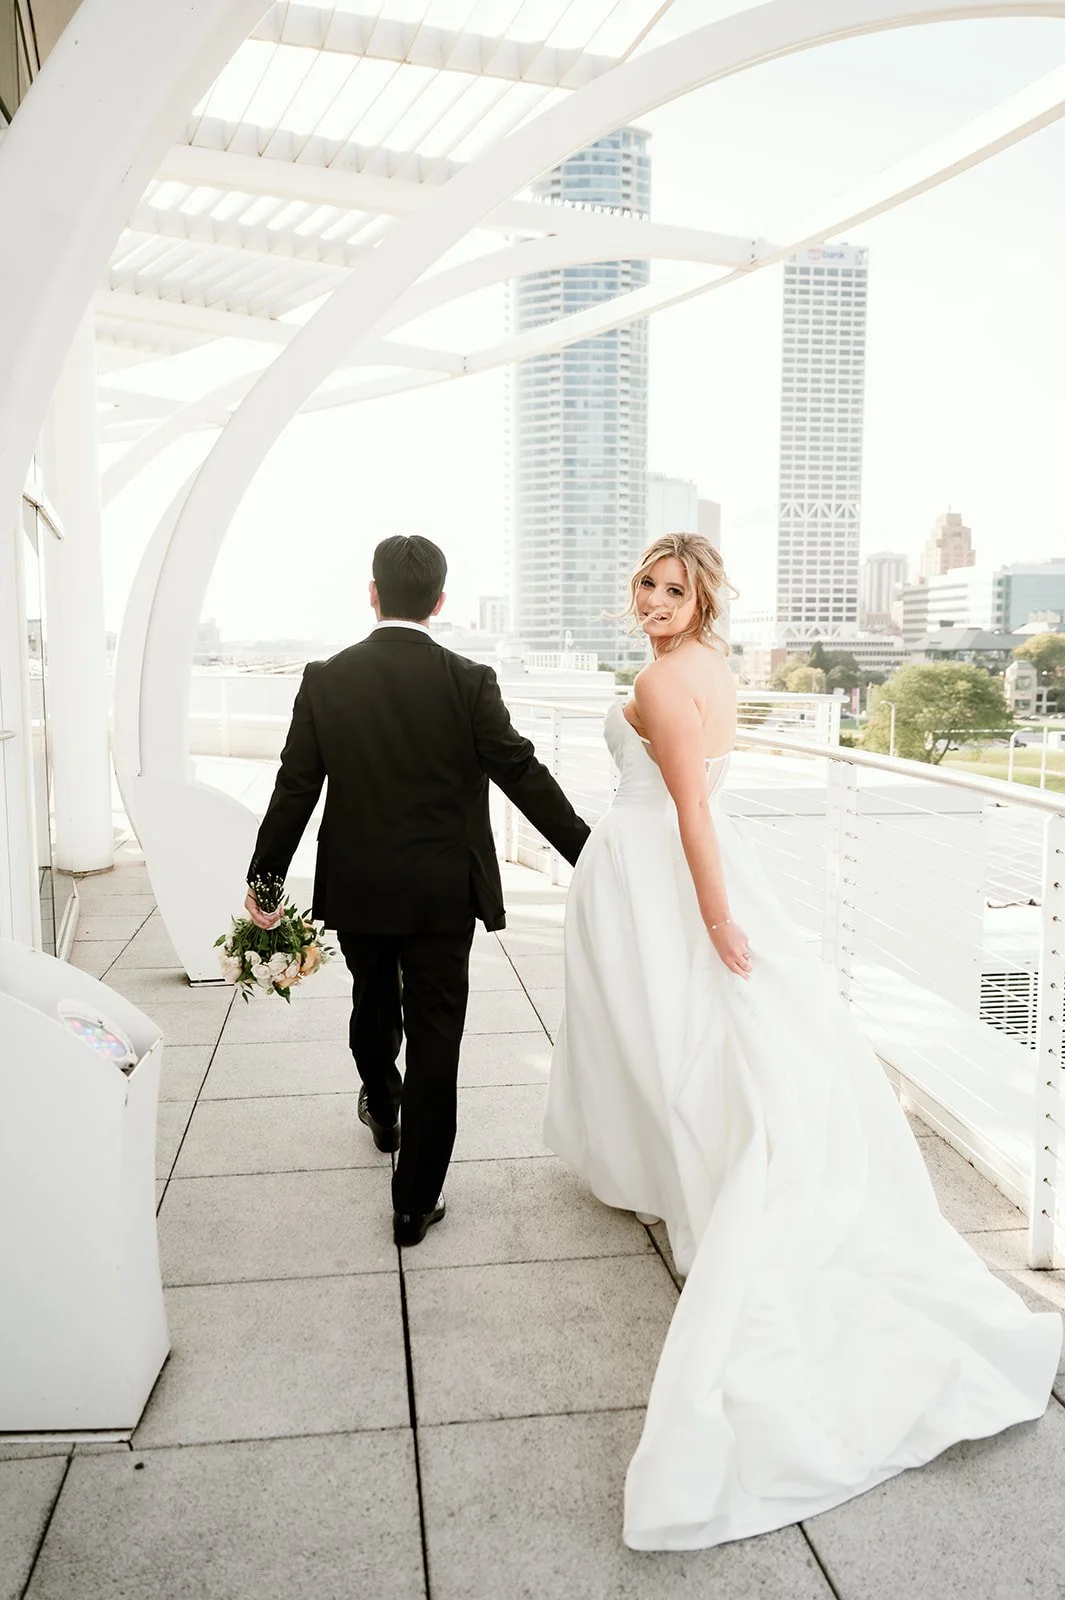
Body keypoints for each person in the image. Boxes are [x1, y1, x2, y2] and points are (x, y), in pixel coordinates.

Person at [544, 532, 1061, 1551]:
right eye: (646, 583)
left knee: (683, 1043)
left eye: (672, 587)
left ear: (702, 599)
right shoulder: (710, 667)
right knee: (691, 1043)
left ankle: (713, 1189)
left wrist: (717, 918)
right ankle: (688, 1174)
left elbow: (689, 807)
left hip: (667, 876)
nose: (652, 599)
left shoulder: (659, 682)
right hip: (680, 862)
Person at [246, 534, 589, 1246]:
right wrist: (588, 852)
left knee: (371, 1000)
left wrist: (265, 883)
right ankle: (413, 1203)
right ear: (438, 603)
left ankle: (382, 1099)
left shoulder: (326, 677)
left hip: (361, 883)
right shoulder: (469, 680)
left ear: (372, 594)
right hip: (440, 891)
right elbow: (520, 772)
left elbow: (295, 787)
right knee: (438, 1036)